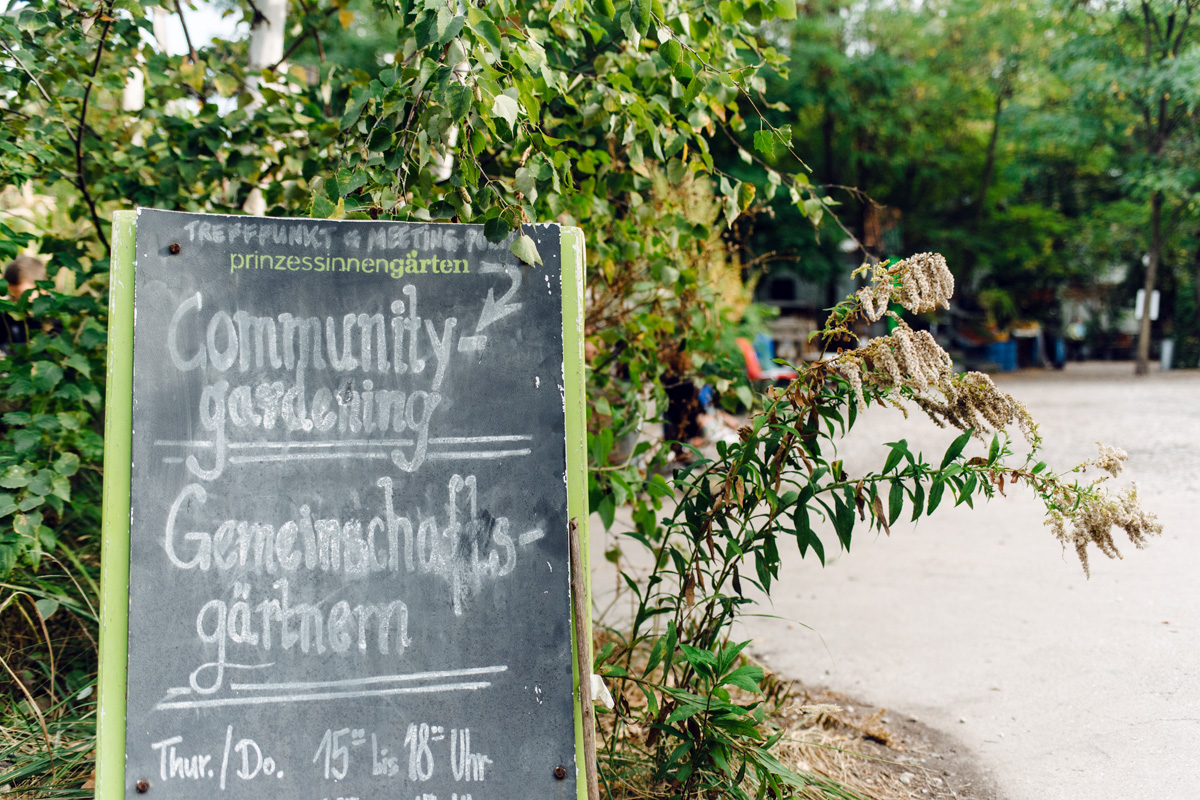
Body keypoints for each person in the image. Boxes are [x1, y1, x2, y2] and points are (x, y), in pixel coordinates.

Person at [1, 255, 48, 354]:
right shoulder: (6, 316)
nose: (18, 304)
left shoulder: (53, 316)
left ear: (43, 289)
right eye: (13, 297)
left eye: (23, 297)